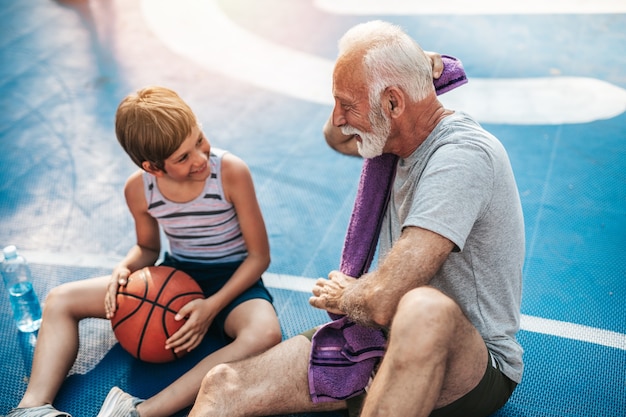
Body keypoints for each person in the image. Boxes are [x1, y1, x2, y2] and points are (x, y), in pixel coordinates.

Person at [188, 20, 524, 417]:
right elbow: (336, 136)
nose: (338, 117)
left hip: (470, 363)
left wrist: (345, 296)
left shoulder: (462, 157)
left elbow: (382, 301)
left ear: (394, 104)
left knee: (423, 307)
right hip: (379, 339)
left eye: (347, 105)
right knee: (222, 385)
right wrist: (409, 70)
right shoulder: (392, 135)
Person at [6, 86, 282, 417]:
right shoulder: (140, 189)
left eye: (199, 139)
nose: (199, 158)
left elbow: (259, 257)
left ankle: (139, 411)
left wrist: (211, 307)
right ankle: (32, 407)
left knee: (265, 333)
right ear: (152, 167)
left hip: (233, 279)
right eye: (183, 157)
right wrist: (125, 268)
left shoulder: (230, 172)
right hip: (175, 276)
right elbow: (148, 248)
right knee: (60, 299)